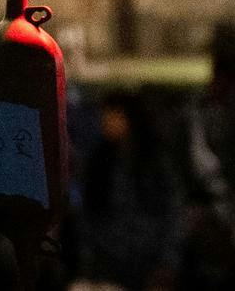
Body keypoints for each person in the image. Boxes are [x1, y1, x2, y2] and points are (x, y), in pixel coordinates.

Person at [76, 92, 181, 290]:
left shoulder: (154, 163)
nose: (105, 121)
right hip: (109, 262)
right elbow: (88, 216)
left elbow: (171, 212)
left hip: (149, 261)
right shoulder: (99, 163)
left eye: (112, 115)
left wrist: (168, 262)